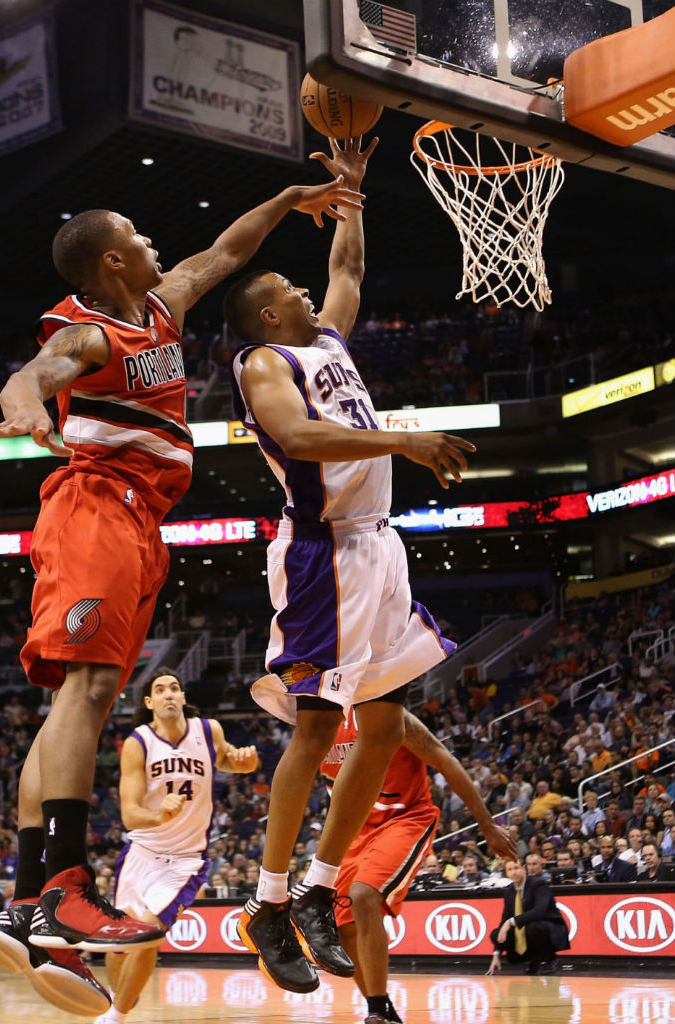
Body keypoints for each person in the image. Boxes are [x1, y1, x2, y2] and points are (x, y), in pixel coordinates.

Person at [0, 171, 362, 1015]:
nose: (157, 245)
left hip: (137, 520)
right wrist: (25, 410)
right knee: (84, 692)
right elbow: (33, 373)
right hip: (96, 505)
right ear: (114, 259)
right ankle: (67, 888)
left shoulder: (163, 305)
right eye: (140, 238)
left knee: (77, 699)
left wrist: (290, 201)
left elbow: (228, 251)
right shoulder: (86, 336)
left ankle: (25, 895)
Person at [225, 137, 475, 993]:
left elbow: (350, 269)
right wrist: (403, 438)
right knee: (316, 728)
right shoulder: (266, 362)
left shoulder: (328, 339)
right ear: (267, 316)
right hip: (321, 552)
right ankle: (265, 903)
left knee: (385, 723)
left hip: (378, 544)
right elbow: (297, 437)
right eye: (288, 290)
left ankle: (318, 889)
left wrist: (355, 192)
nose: (304, 290)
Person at [321, 708, 515, 1024]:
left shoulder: (388, 714)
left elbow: (445, 760)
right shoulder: (317, 723)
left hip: (405, 817)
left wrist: (488, 825)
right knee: (342, 927)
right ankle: (382, 1010)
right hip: (353, 828)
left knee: (363, 894)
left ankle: (376, 1012)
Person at [96, 667, 258, 1024]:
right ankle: (120, 998)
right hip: (141, 853)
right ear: (150, 702)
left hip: (185, 859)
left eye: (175, 688)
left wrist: (247, 763)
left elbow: (230, 760)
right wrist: (158, 816)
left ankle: (115, 1016)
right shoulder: (138, 743)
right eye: (160, 689)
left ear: (183, 698)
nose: (169, 694)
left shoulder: (207, 730)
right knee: (119, 947)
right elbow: (130, 814)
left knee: (148, 933)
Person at [486, 859, 570, 976]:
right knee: (496, 934)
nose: (514, 872)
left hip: (550, 927)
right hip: (527, 928)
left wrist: (511, 922)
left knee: (532, 927)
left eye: (516, 868)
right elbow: (504, 920)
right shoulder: (509, 891)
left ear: (523, 869)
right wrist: (496, 954)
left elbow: (539, 911)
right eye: (510, 869)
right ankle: (530, 961)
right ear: (506, 873)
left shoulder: (538, 884)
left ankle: (550, 958)